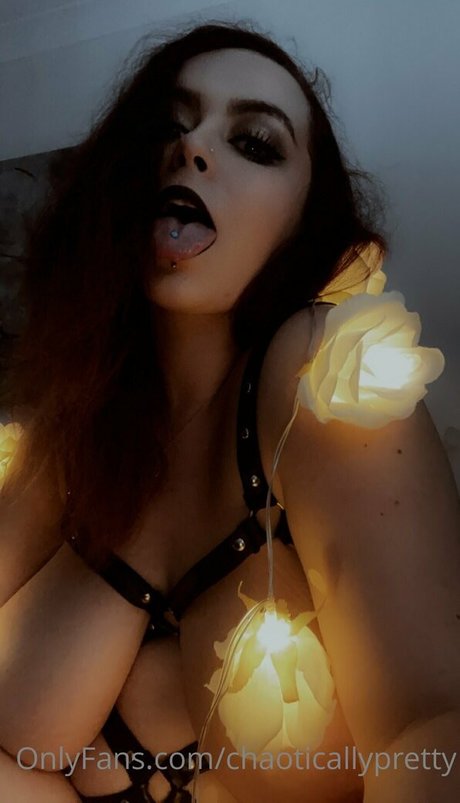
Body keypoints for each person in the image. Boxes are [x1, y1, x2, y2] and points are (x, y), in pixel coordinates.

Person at [0, 19, 459, 803]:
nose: (191, 147)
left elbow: (430, 728)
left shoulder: (321, 372)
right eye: (169, 126)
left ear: (305, 221)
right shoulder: (73, 424)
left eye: (253, 142)